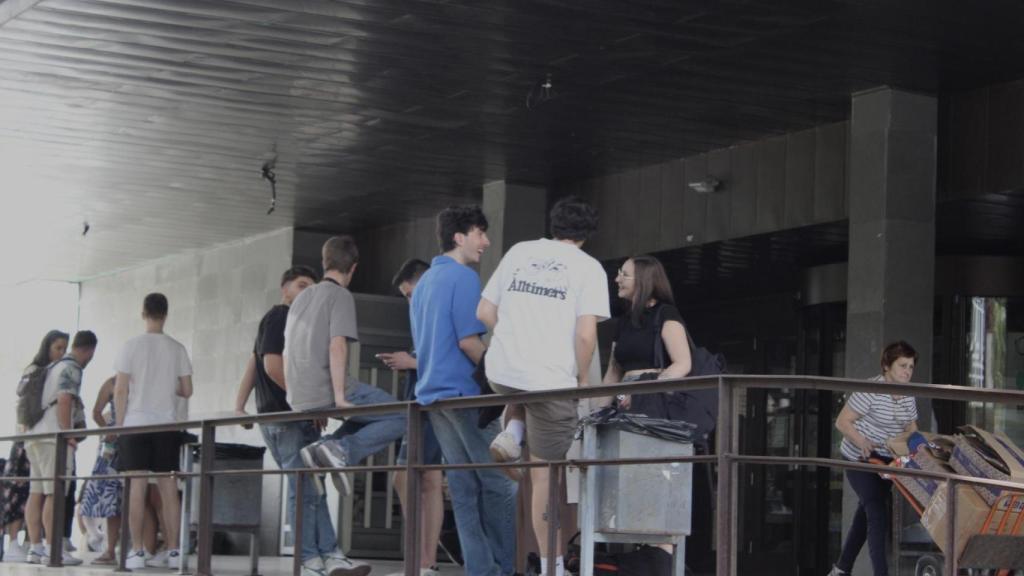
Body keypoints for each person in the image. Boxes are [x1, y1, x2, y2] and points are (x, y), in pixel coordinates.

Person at [479, 196, 609, 576]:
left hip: (500, 373)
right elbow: (586, 337)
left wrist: (514, 339)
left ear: (553, 226)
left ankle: (513, 429)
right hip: (549, 382)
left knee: (522, 392)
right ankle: (553, 567)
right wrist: (582, 382)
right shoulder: (588, 268)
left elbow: (484, 312)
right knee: (545, 478)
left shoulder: (519, 251)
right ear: (586, 235)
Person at [284, 235, 407, 576]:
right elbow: (337, 345)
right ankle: (337, 448)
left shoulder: (301, 298)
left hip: (300, 394)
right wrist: (338, 397)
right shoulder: (339, 295)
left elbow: (287, 350)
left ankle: (330, 448)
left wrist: (302, 397)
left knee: (312, 473)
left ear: (324, 262)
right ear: (353, 268)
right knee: (400, 413)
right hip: (326, 389)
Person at [410, 205, 517, 576]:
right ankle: (503, 570)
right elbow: (469, 342)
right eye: (480, 233)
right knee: (500, 483)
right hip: (464, 394)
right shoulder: (465, 278)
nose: (486, 242)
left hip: (433, 397)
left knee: (463, 486)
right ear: (459, 237)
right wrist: (500, 377)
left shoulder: (424, 282)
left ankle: (480, 570)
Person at [235, 265, 346, 576]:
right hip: (287, 418)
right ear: (284, 289)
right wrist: (309, 404)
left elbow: (253, 362)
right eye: (301, 285)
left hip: (285, 417)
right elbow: (270, 366)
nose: (305, 293)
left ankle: (328, 553)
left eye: (311, 288)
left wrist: (239, 405)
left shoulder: (284, 321)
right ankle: (310, 557)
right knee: (306, 486)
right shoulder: (280, 317)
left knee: (313, 485)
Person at [113, 293, 192, 570]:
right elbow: (187, 390)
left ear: (143, 313)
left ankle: (137, 552)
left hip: (135, 423)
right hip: (166, 424)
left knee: (137, 488)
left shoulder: (130, 346)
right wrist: (165, 385)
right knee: (168, 489)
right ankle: (173, 551)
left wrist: (120, 425)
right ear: (166, 314)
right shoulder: (177, 348)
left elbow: (120, 389)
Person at [827, 341, 919, 576]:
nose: (907, 371)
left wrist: (912, 447)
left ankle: (840, 569)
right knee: (877, 512)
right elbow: (842, 422)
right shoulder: (870, 390)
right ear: (887, 366)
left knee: (865, 512)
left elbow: (912, 429)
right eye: (902, 365)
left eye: (910, 366)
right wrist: (862, 442)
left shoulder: (908, 395)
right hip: (859, 457)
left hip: (887, 462)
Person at [380, 259, 444, 576]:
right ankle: (422, 559)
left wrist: (410, 362)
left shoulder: (439, 308)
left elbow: (448, 358)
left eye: (409, 293)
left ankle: (424, 559)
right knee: (420, 477)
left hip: (432, 402)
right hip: (419, 401)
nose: (409, 301)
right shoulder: (423, 314)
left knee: (420, 478)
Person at [23, 330, 97, 566]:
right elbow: (65, 400)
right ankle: (53, 549)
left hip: (34, 435)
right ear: (89, 350)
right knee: (55, 493)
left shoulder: (51, 366)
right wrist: (67, 434)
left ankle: (35, 548)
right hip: (53, 437)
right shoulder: (72, 368)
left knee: (36, 493)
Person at [6, 330, 68, 563]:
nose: (61, 353)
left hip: (29, 437)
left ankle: (34, 546)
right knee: (50, 492)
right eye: (58, 348)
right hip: (46, 437)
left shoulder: (31, 370)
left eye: (64, 348)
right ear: (48, 347)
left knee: (35, 492)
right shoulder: (54, 372)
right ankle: (47, 547)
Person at [78, 376, 122, 565]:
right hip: (115, 444)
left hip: (121, 440)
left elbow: (97, 412)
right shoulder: (113, 383)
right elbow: (96, 412)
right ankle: (110, 547)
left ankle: (125, 548)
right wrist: (107, 430)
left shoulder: (114, 382)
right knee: (111, 496)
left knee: (118, 495)